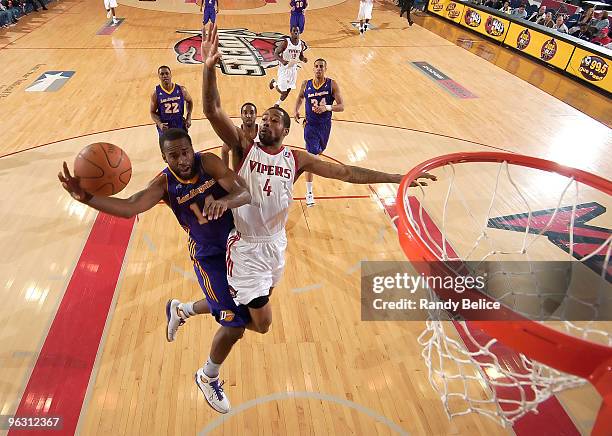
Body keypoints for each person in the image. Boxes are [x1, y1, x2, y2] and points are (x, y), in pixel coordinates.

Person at [195, 27, 436, 408]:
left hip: (276, 246)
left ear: (287, 129)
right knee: (255, 324)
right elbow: (212, 110)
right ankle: (207, 373)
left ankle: (188, 307)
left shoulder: (296, 158)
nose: (266, 123)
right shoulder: (243, 148)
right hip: (245, 248)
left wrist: (397, 177)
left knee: (250, 311)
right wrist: (209, 69)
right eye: (264, 120)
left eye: (274, 119)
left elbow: (346, 173)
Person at [58, 128, 252, 415]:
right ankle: (207, 375)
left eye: (185, 152)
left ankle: (182, 310)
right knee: (234, 323)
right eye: (173, 155)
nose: (182, 159)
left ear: (192, 148)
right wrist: (86, 198)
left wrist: (224, 201)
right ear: (164, 157)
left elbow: (244, 192)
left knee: (251, 311)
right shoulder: (163, 184)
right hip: (208, 257)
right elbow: (129, 207)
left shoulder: (208, 163)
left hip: (238, 248)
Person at [293, 59, 345, 207]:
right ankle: (309, 192)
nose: (318, 69)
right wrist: (295, 110)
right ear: (313, 68)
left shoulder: (331, 84)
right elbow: (300, 97)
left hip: (325, 126)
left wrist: (326, 108)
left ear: (325, 69)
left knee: (319, 152)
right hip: (310, 126)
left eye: (321, 66)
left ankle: (301, 166)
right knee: (312, 157)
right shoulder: (306, 84)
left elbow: (341, 106)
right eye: (316, 66)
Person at [269, 25, 307, 107]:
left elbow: (300, 56)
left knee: (289, 89)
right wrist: (282, 61)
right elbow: (275, 53)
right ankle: (274, 83)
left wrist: (303, 59)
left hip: (293, 68)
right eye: (294, 31)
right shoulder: (286, 42)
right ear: (291, 32)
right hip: (284, 68)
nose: (296, 32)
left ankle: (277, 103)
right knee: (283, 91)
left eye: (297, 31)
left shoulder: (301, 44)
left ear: (299, 32)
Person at [150, 66, 194, 136]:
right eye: (162, 74)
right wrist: (159, 124)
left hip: (179, 123)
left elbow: (190, 101)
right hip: (165, 126)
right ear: (159, 76)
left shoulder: (181, 90)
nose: (165, 76)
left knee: (184, 145)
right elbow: (152, 112)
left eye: (167, 73)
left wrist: (189, 117)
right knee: (167, 147)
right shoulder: (155, 93)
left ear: (171, 75)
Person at [221, 102, 259, 168]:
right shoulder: (235, 133)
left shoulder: (263, 131)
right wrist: (226, 172)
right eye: (245, 113)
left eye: (252, 112)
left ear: (256, 115)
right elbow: (224, 151)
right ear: (241, 115)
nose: (248, 115)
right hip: (241, 175)